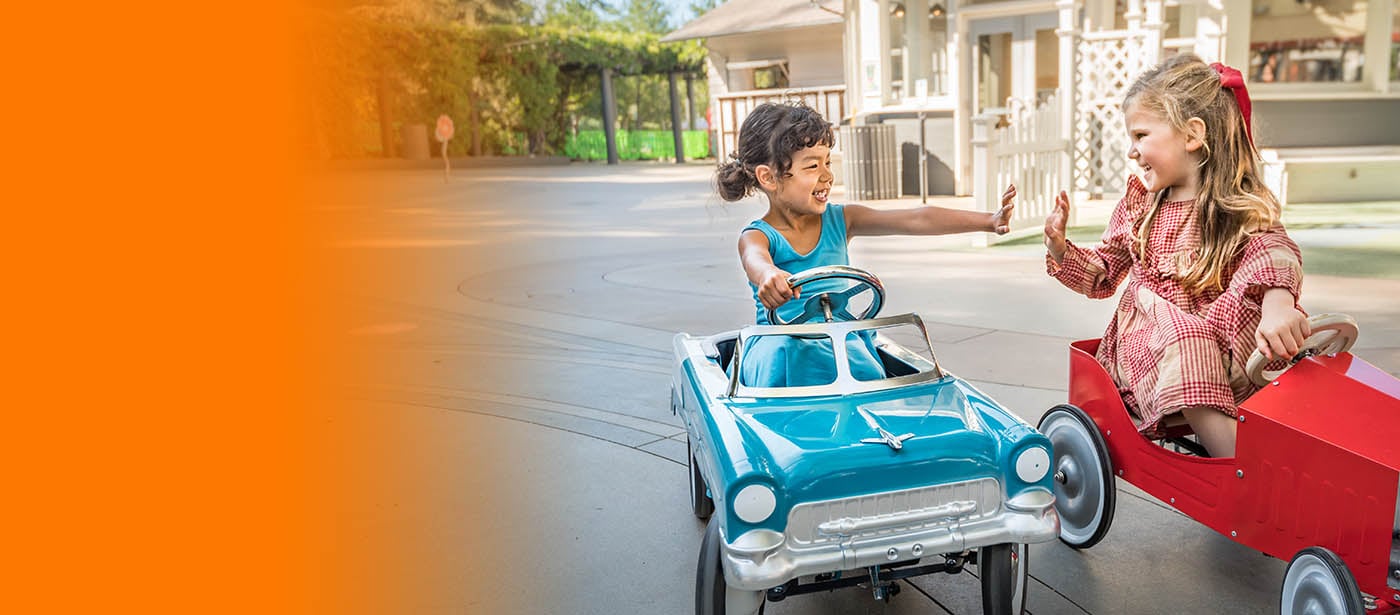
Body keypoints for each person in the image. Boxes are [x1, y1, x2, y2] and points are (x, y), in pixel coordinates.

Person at [1041, 54, 1308, 457]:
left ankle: (1292, 443)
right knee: (1187, 338)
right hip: (1148, 344)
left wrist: (1278, 303)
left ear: (1191, 135)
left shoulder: (1235, 207)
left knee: (1272, 332)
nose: (1132, 151)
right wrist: (1060, 247)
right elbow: (1105, 272)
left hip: (1217, 343)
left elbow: (1271, 251)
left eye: (1141, 135)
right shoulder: (1141, 205)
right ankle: (1236, 467)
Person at [716, 101, 1015, 387]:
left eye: (828, 162)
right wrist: (768, 275)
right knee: (793, 358)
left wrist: (989, 221)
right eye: (811, 167)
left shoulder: (841, 220)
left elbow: (916, 219)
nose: (828, 175)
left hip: (840, 342)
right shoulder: (759, 235)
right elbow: (756, 259)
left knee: (866, 368)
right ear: (769, 177)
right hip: (780, 351)